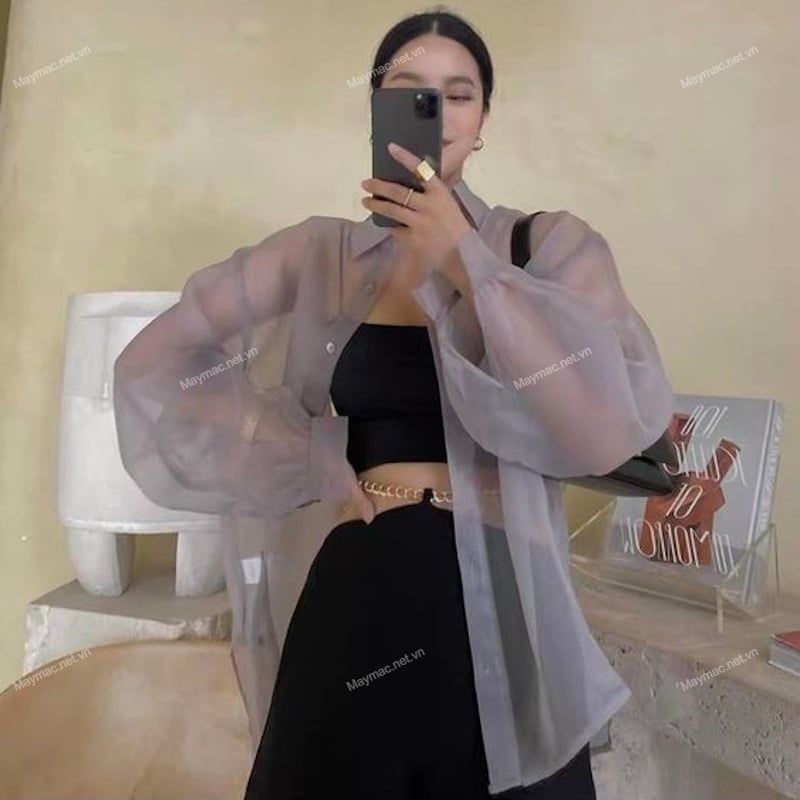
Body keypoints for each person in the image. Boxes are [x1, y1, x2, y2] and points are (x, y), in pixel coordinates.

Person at [113, 8, 675, 799]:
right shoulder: (321, 254)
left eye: (459, 94)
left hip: (504, 608)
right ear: (376, 107)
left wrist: (466, 263)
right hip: (360, 592)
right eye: (409, 91)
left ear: (483, 121)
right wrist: (310, 456)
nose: (436, 113)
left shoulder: (547, 247)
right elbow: (153, 364)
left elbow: (601, 430)